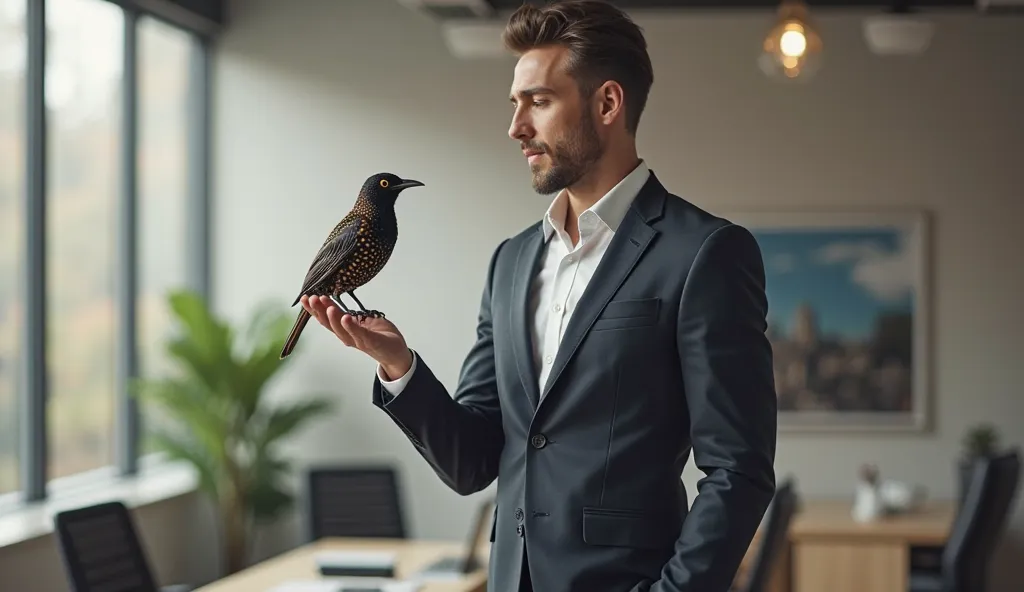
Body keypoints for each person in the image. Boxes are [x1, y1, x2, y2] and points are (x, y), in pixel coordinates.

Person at [300, 1, 777, 590]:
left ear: (606, 103)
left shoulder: (705, 253)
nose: (516, 126)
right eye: (515, 103)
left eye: (539, 101)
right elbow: (472, 462)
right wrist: (398, 366)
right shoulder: (511, 262)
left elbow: (739, 469)